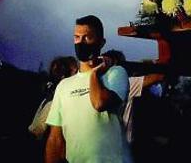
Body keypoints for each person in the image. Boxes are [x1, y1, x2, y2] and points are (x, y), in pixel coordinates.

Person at [46, 15, 131, 163]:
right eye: (77, 37)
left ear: (101, 42)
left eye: (87, 38)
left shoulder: (116, 73)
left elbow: (99, 103)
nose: (81, 42)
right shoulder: (64, 86)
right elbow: (55, 139)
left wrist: (93, 73)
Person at [30, 56, 79, 139]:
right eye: (74, 71)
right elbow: (37, 130)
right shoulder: (52, 102)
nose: (77, 73)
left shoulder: (51, 97)